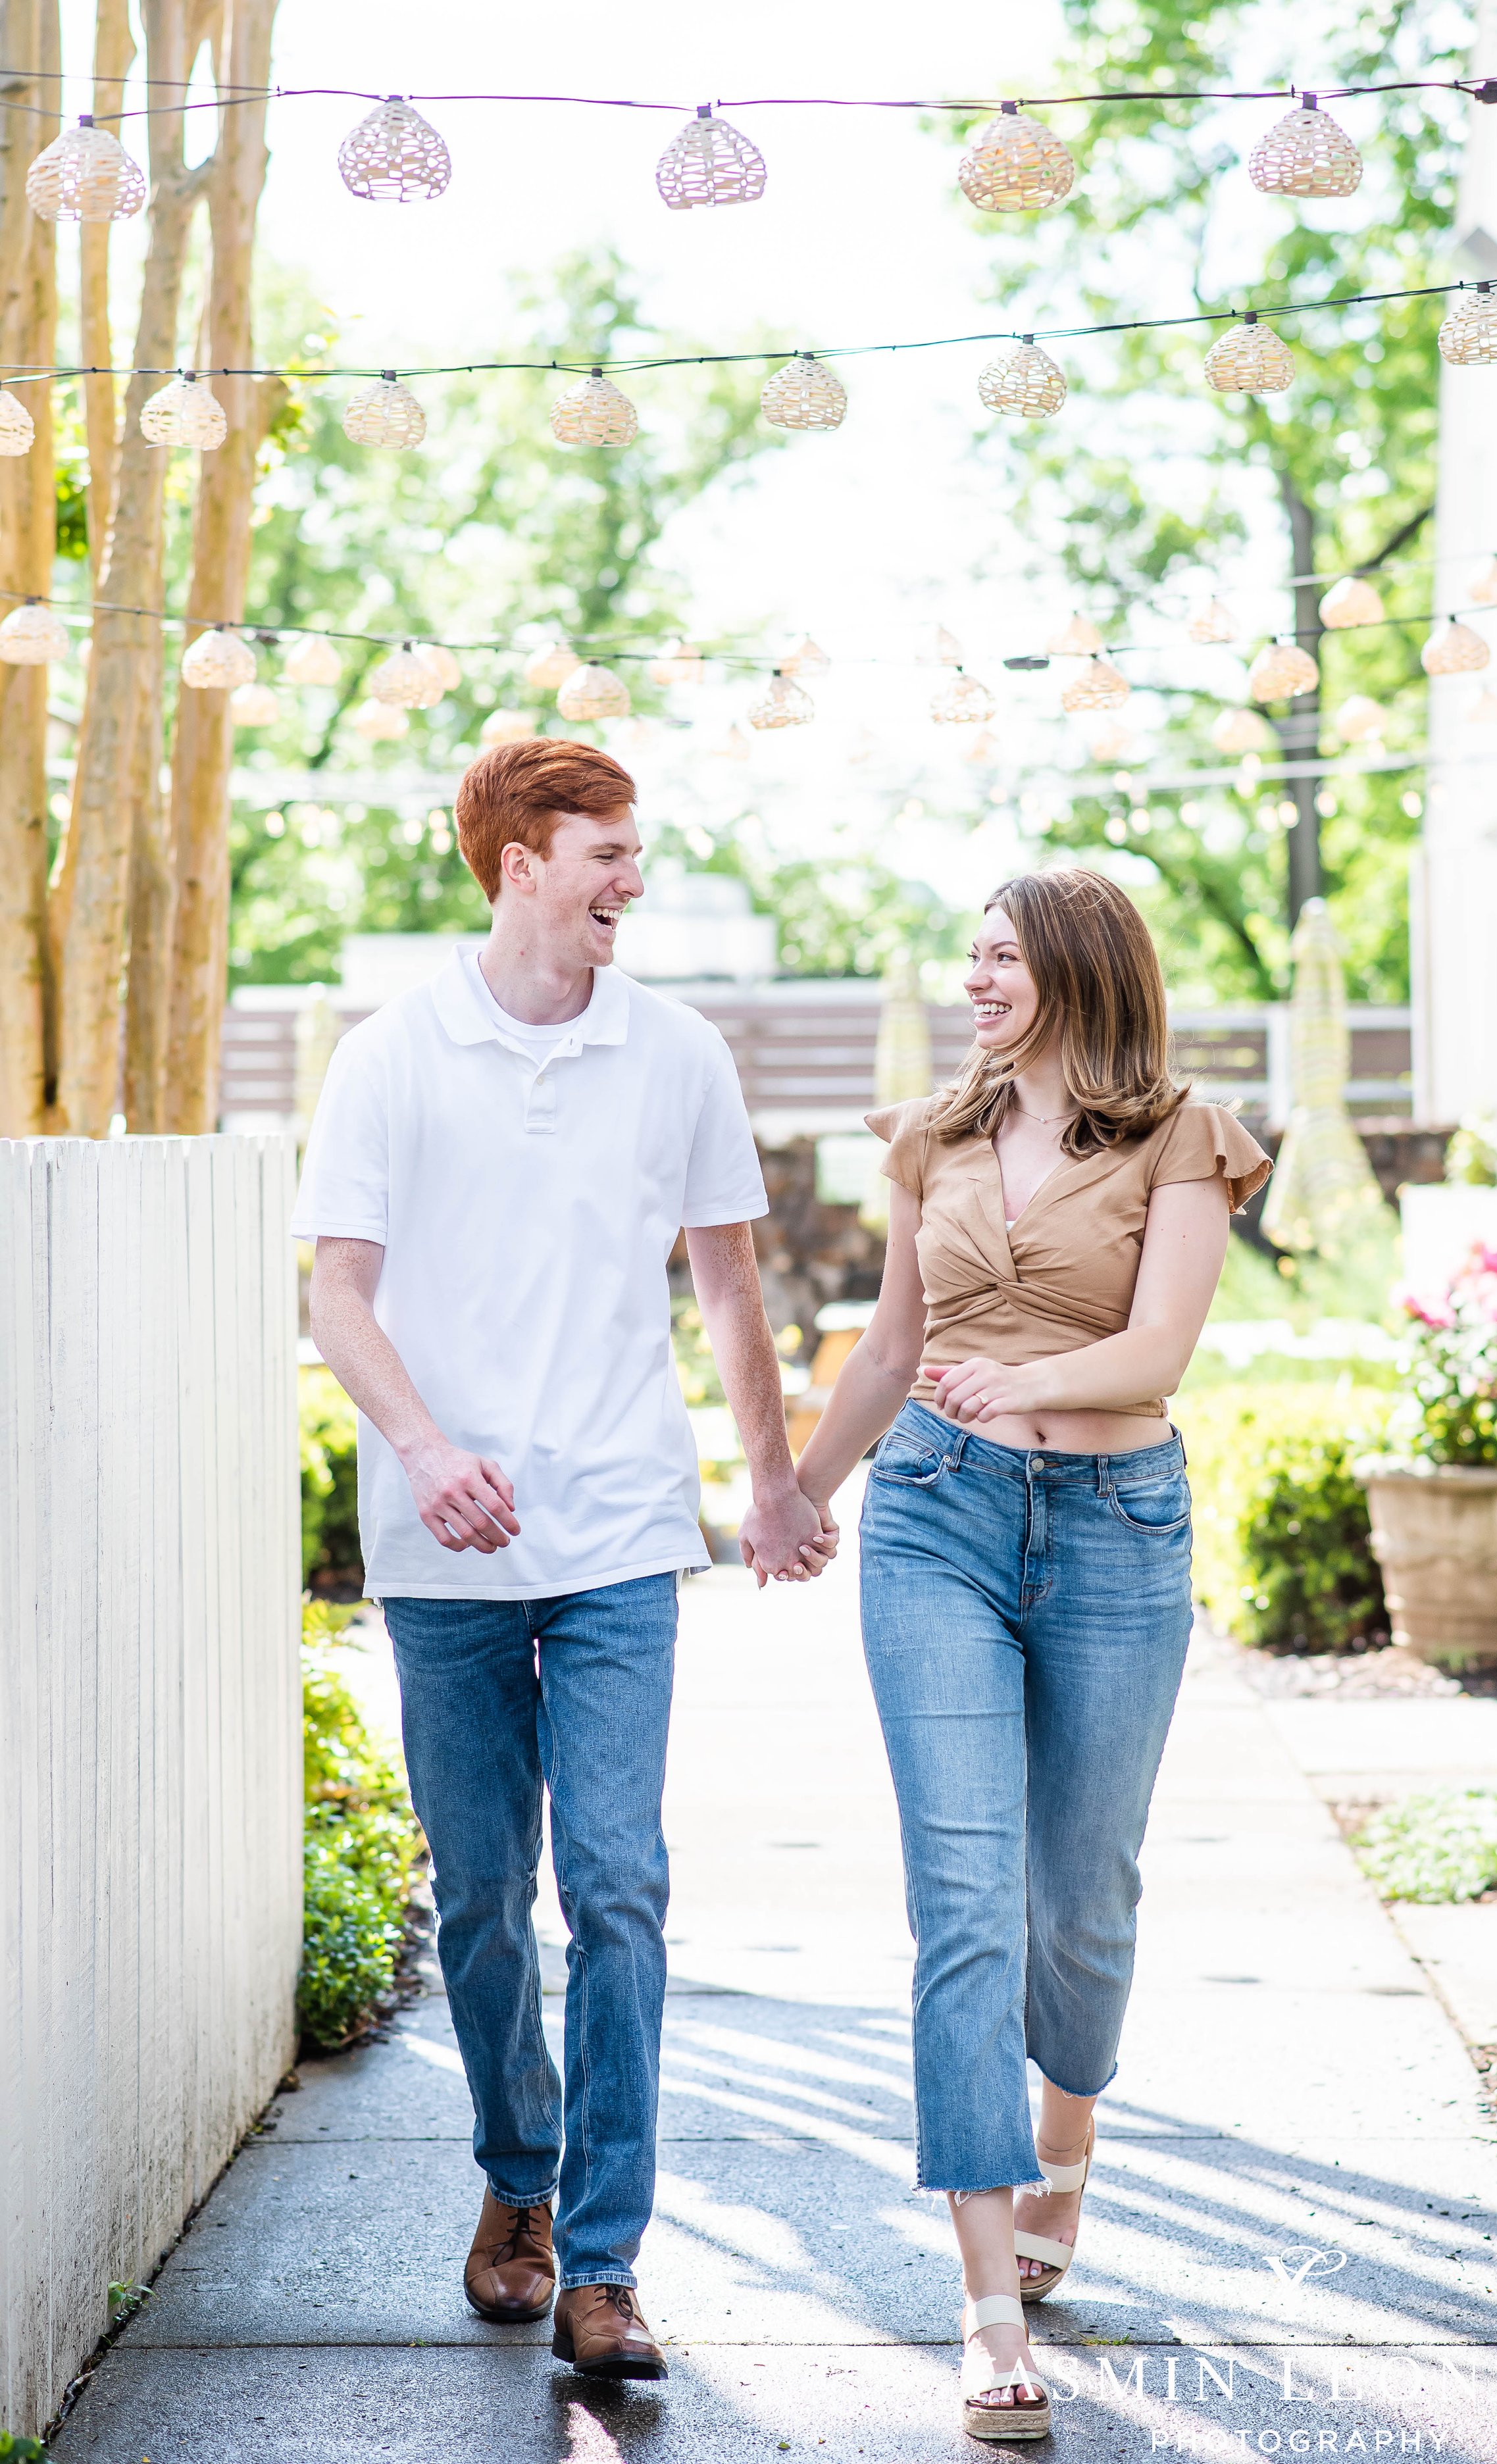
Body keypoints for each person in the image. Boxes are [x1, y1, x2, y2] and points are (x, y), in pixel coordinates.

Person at [295, 738, 833, 2384]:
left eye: (633, 849)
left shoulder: (672, 1053)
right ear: (519, 859)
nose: (632, 878)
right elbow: (334, 1291)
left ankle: (601, 2258)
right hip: (444, 1547)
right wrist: (430, 1452)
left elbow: (731, 1288)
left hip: (615, 1531)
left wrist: (773, 1481)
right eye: (606, 849)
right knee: (479, 1903)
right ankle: (512, 2183)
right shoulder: (392, 1055)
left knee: (617, 1886)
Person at [795, 868, 1269, 2441]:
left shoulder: (1180, 1136)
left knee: (1080, 1900)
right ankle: (988, 2305)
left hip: (1117, 1531)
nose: (973, 979)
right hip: (933, 1516)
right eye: (970, 957)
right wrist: (796, 1487)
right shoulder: (929, 1136)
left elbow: (1158, 1349)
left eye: (998, 957)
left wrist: (1022, 1379)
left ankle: (1064, 2151)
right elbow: (885, 1346)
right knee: (961, 1893)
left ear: (1072, 968)